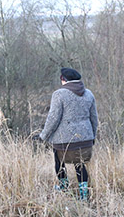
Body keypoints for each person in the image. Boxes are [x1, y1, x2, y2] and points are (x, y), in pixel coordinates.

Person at [39, 67, 98, 200]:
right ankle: (84, 194)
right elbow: (94, 119)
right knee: (80, 164)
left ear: (63, 79)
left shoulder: (59, 94)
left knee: (59, 161)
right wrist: (92, 137)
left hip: (64, 141)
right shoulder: (89, 94)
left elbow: (53, 119)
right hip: (86, 140)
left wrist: (44, 135)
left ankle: (63, 187)